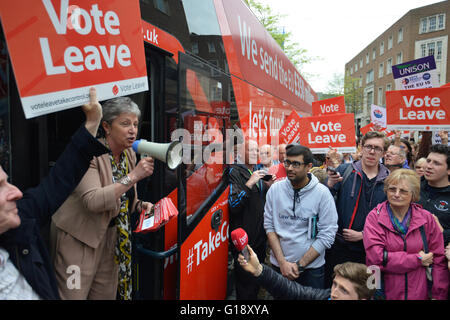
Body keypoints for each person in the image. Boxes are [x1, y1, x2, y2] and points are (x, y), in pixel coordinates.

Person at [0, 87, 107, 300]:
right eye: (1, 187)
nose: (17, 193)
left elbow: (57, 183)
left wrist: (92, 123)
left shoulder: (20, 221)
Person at [51, 97, 155, 300]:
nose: (132, 130)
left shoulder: (129, 155)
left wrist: (141, 205)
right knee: (73, 295)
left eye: (135, 124)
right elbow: (93, 201)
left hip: (111, 239)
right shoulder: (88, 154)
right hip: (79, 239)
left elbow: (125, 199)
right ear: (106, 126)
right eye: (125, 124)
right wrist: (134, 176)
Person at [363, 169, 449, 300]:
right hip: (382, 292)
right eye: (392, 189)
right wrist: (417, 260)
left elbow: (438, 261)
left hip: (419, 292)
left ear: (413, 194)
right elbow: (376, 258)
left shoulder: (426, 219)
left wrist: (439, 295)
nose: (396, 194)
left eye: (403, 191)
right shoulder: (375, 217)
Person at [264, 144, 337, 289]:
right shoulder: (275, 190)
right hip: (279, 267)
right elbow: (269, 226)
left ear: (308, 166)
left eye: (296, 164)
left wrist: (300, 265)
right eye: (287, 163)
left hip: (311, 270)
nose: (290, 168)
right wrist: (282, 263)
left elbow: (327, 234)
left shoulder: (322, 194)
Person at [325, 131, 390, 287]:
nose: (372, 151)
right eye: (368, 146)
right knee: (338, 289)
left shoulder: (390, 180)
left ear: (384, 152)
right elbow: (325, 203)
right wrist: (329, 185)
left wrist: (364, 235)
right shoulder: (345, 170)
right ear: (361, 147)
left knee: (370, 290)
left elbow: (392, 218)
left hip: (373, 251)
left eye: (377, 148)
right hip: (341, 248)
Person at [237, 245, 375, 300]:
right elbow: (293, 291)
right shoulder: (327, 296)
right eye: (335, 284)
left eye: (344, 291)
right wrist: (259, 270)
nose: (334, 293)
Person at [228, 138, 269, 299]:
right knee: (245, 287)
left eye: (257, 151)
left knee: (256, 282)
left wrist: (269, 187)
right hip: (243, 241)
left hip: (259, 238)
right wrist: (249, 184)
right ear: (239, 153)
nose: (255, 153)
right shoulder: (234, 172)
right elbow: (233, 205)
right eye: (250, 150)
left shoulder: (258, 171)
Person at [418, 144, 450, 247]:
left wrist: (442, 233)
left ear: (448, 170)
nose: (429, 166)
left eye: (436, 163)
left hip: (440, 257)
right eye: (428, 161)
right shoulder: (412, 187)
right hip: (409, 256)